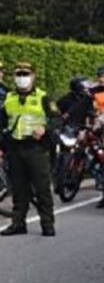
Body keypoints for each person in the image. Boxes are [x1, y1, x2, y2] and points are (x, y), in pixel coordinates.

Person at [1, 63, 57, 236]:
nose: (21, 78)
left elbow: (57, 120)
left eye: (25, 74)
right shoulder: (9, 98)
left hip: (36, 148)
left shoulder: (43, 97)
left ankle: (47, 224)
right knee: (19, 189)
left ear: (33, 76)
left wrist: (44, 129)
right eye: (18, 74)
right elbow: (1, 124)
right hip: (15, 148)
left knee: (42, 189)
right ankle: (18, 224)